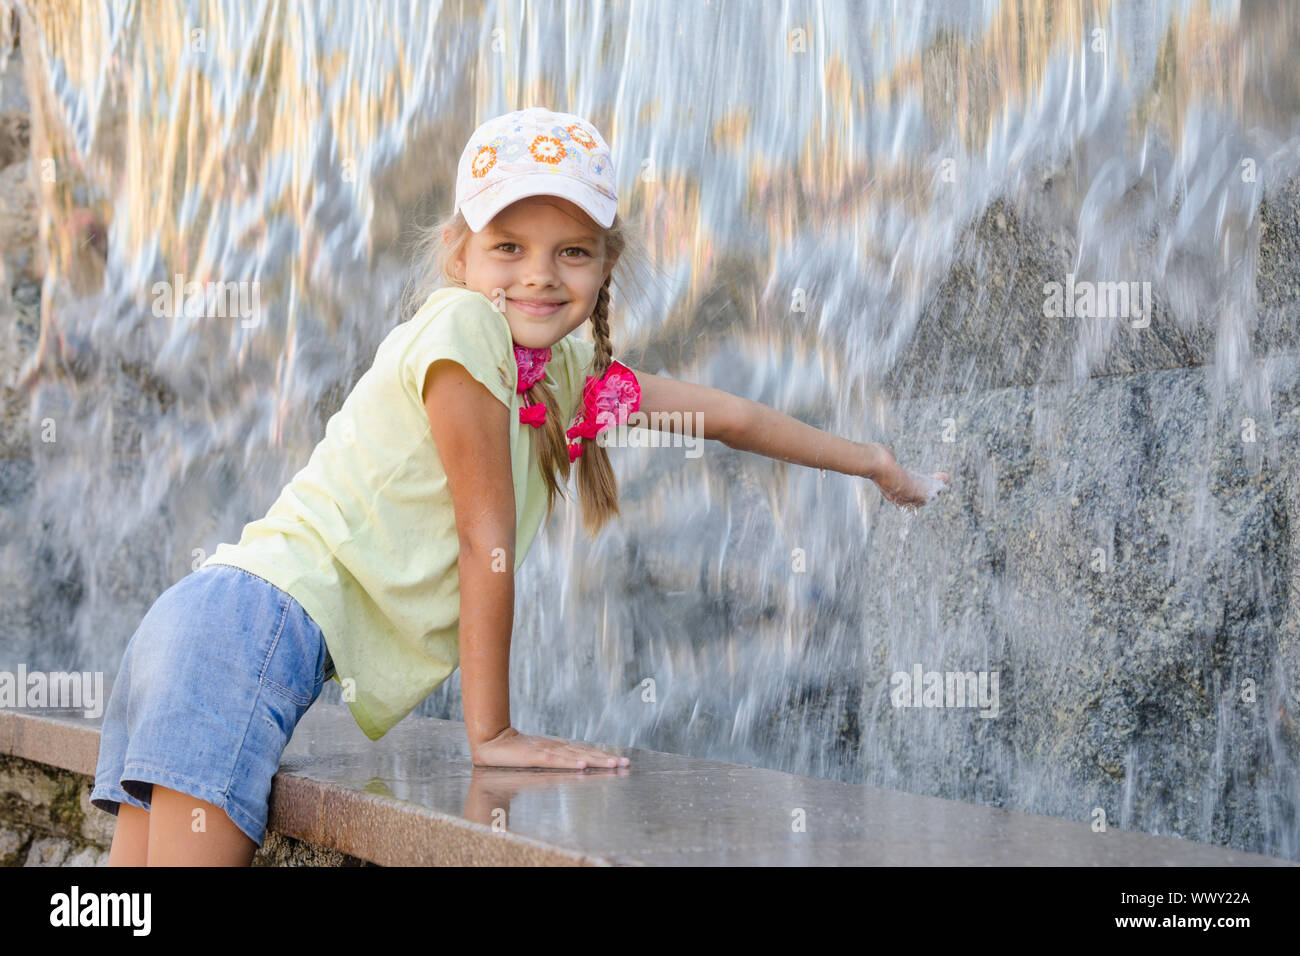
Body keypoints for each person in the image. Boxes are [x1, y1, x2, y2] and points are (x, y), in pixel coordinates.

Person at [89, 106, 950, 866]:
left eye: (570, 252)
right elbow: (484, 537)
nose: (539, 274)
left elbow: (728, 416)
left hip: (198, 625)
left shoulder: (571, 374)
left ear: (605, 267)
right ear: (460, 254)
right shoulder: (465, 331)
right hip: (244, 633)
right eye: (510, 248)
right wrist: (492, 734)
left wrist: (872, 463)